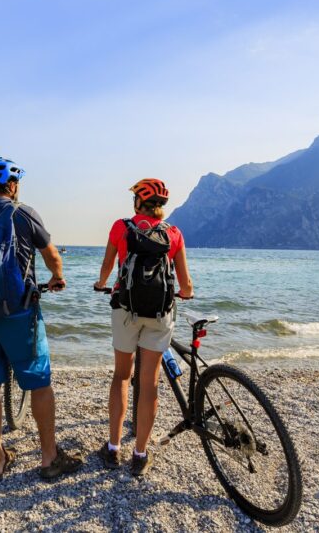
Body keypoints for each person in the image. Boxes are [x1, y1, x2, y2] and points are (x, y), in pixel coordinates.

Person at [0, 157, 83, 482]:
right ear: (13, 185)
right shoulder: (22, 212)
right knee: (40, 384)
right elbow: (52, 256)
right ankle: (49, 458)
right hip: (19, 314)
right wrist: (57, 277)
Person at [93, 178, 193, 477]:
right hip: (160, 313)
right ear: (162, 206)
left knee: (122, 376)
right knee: (149, 383)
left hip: (126, 309)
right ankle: (139, 454)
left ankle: (112, 449)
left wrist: (101, 285)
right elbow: (186, 284)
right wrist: (186, 293)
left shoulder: (121, 227)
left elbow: (107, 267)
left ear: (138, 202)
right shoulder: (173, 233)